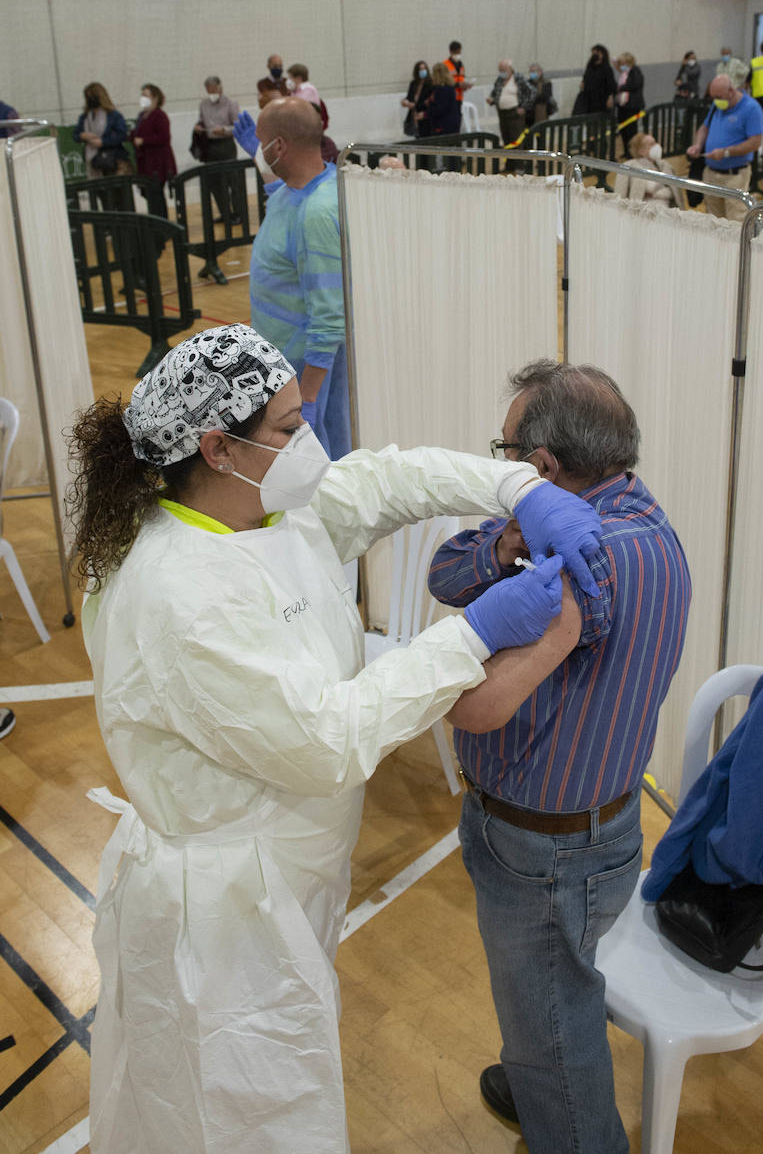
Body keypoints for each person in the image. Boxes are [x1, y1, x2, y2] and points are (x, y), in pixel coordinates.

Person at [69, 322, 605, 1154]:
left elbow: (389, 479)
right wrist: (468, 639)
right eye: (287, 429)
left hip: (287, 875)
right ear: (217, 447)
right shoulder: (177, 598)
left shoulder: (270, 512)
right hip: (221, 918)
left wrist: (516, 490)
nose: (307, 441)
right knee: (238, 1115)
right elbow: (327, 737)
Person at [428, 360, 691, 1154]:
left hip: (546, 850)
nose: (500, 467)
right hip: (579, 834)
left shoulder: (579, 558)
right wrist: (507, 536)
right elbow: (448, 570)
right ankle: (539, 1070)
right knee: (548, 1000)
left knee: (555, 1020)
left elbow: (473, 702)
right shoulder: (638, 515)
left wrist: (441, 656)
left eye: (505, 452)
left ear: (541, 466)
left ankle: (565, 1113)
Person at [248, 97, 351, 458]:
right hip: (280, 368)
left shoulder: (319, 212)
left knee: (319, 471)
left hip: (301, 372)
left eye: (262, 144)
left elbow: (328, 315)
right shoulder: (293, 192)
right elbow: (281, 198)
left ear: (279, 146)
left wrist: (306, 399)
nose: (260, 151)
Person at [686, 73, 763, 219]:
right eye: (713, 97)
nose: (716, 101)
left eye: (719, 97)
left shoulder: (751, 108)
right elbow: (704, 128)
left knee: (735, 222)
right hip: (711, 173)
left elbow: (755, 142)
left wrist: (726, 152)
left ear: (731, 91)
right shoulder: (717, 106)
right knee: (713, 221)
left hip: (734, 175)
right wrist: (698, 145)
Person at [194, 75, 244, 232]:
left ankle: (238, 213)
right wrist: (198, 126)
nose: (211, 93)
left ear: (220, 88)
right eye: (208, 90)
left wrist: (224, 130)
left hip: (226, 144)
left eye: (214, 90)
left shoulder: (231, 104)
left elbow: (237, 126)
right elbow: (201, 120)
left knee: (232, 180)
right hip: (209, 146)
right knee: (215, 183)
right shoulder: (203, 104)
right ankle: (225, 213)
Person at [129, 84, 176, 213]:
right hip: (144, 162)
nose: (142, 98)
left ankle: (162, 226)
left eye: (146, 95)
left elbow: (164, 137)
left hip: (157, 163)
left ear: (155, 98)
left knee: (156, 195)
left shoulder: (159, 115)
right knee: (149, 195)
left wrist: (144, 141)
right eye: (142, 95)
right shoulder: (141, 115)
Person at [614, 132, 685, 208]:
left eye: (656, 142)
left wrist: (655, 193)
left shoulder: (666, 166)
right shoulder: (629, 166)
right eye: (651, 144)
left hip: (666, 213)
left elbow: (673, 192)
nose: (657, 146)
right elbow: (620, 194)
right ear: (641, 151)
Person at [74, 83, 129, 178]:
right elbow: (75, 135)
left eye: (92, 96)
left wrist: (103, 142)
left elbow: (122, 134)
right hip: (92, 159)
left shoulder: (113, 115)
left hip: (113, 159)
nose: (90, 99)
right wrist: (83, 136)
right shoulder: (85, 117)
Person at [486, 60, 534, 145]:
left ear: (510, 69)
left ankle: (518, 158)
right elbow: (494, 94)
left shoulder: (518, 78)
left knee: (516, 139)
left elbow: (531, 92)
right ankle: (509, 158)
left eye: (504, 70)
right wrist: (492, 100)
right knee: (506, 139)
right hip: (502, 114)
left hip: (515, 114)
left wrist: (524, 107)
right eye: (500, 70)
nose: (502, 72)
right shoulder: (499, 80)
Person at [614, 51, 645, 156]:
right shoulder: (624, 74)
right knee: (623, 129)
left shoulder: (635, 71)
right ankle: (626, 151)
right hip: (623, 106)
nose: (622, 66)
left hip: (632, 106)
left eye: (623, 64)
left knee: (631, 130)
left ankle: (633, 151)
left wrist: (621, 88)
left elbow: (635, 85)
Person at [575, 44, 616, 115]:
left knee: (599, 121)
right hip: (589, 99)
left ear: (602, 54)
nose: (594, 55)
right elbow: (585, 77)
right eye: (593, 53)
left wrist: (610, 97)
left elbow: (611, 84)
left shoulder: (606, 68)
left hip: (601, 99)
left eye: (597, 53)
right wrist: (583, 83)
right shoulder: (590, 66)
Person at [426, 61, 462, 136]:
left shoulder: (441, 89)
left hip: (443, 125)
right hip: (453, 122)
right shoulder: (450, 87)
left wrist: (429, 105)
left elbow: (440, 109)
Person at [401, 60, 433, 137]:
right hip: (414, 116)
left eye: (424, 68)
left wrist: (415, 105)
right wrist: (406, 102)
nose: (423, 71)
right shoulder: (413, 83)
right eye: (420, 69)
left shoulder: (430, 84)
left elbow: (429, 101)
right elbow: (409, 97)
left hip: (424, 116)